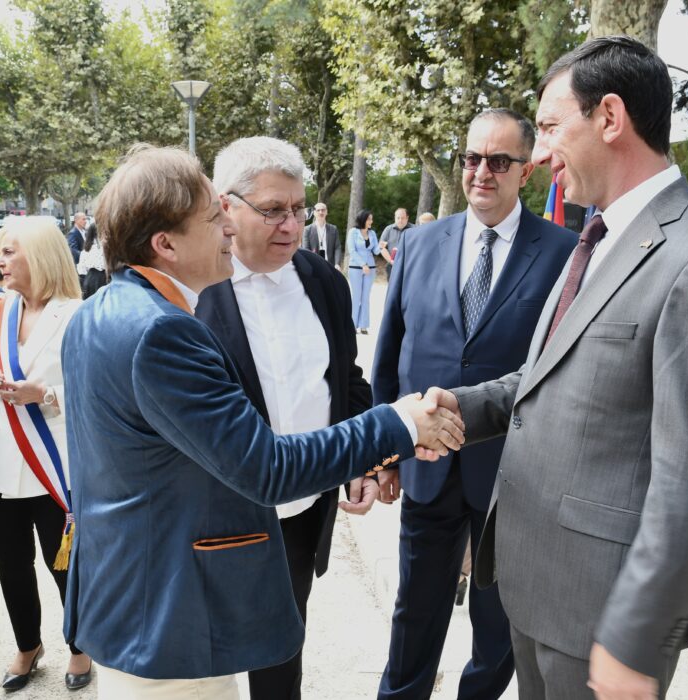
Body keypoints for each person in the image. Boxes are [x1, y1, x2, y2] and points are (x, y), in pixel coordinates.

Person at [429, 36, 688, 698]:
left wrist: (636, 636)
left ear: (610, 118)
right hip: (536, 590)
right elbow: (549, 380)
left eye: (553, 127)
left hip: (603, 620)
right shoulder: (598, 240)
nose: (540, 152)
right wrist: (456, 409)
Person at [61, 144, 465, 699]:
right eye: (213, 217)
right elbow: (267, 468)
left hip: (141, 590)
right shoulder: (163, 333)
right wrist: (396, 424)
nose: (227, 228)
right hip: (169, 609)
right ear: (166, 245)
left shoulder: (104, 311)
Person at [372, 108, 577, 700]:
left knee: (498, 635)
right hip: (428, 469)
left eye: (498, 160)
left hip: (513, 482)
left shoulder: (564, 253)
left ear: (525, 172)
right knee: (413, 618)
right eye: (471, 158)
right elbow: (391, 357)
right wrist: (384, 451)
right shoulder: (417, 243)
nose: (480, 171)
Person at [197, 136, 379, 700]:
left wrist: (364, 462)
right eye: (274, 210)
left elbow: (347, 382)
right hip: (212, 517)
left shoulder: (324, 282)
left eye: (299, 209)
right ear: (226, 207)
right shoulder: (192, 291)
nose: (292, 225)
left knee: (280, 658)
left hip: (301, 516)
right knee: (204, 662)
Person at [0, 217, 90, 692]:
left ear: (39, 256)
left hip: (53, 460)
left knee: (62, 561)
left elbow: (95, 390)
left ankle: (80, 646)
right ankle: (27, 644)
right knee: (10, 560)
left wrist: (45, 394)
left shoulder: (79, 314)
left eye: (8, 252)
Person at [347, 209, 380, 334]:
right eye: (369, 219)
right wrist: (363, 264)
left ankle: (364, 325)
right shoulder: (353, 232)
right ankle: (353, 324)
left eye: (371, 219)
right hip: (356, 267)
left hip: (370, 268)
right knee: (356, 297)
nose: (371, 221)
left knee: (366, 297)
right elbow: (352, 251)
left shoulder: (372, 233)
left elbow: (375, 251)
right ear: (363, 219)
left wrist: (381, 247)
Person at [378, 208, 414, 280]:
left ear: (407, 218)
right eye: (398, 218)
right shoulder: (388, 229)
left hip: (409, 266)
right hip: (392, 265)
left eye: (403, 218)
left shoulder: (414, 229)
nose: (400, 220)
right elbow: (381, 248)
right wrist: (391, 261)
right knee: (392, 289)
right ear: (395, 217)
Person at [303, 201, 341, 266]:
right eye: (318, 210)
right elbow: (306, 249)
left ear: (326, 212)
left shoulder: (333, 229)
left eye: (323, 210)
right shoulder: (307, 230)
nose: (321, 212)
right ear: (314, 213)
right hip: (314, 265)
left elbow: (337, 247)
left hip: (330, 265)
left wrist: (337, 263)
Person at [76, 221, 108, 299]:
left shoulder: (85, 251)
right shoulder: (106, 249)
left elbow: (82, 271)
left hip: (90, 280)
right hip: (104, 279)